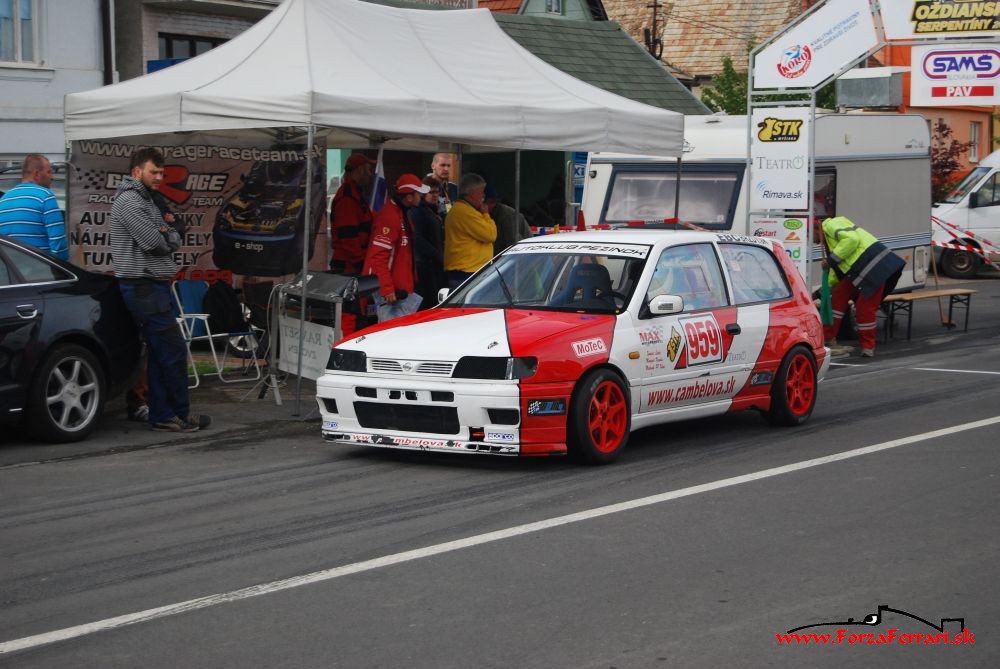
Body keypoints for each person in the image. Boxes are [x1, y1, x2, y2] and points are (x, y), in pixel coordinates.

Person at [111, 147, 210, 432]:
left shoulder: (147, 200)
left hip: (153, 286)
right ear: (136, 172)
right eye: (153, 172)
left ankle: (168, 413)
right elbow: (154, 243)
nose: (158, 178)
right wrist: (167, 233)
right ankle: (170, 414)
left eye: (161, 173)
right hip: (143, 287)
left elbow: (172, 231)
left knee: (162, 352)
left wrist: (167, 233)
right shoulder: (130, 201)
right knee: (172, 350)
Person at [815, 215, 904, 358]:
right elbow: (838, 273)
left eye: (810, 235)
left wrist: (830, 260)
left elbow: (851, 240)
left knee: (864, 309)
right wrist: (821, 292)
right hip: (858, 270)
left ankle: (868, 347)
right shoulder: (828, 236)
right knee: (836, 297)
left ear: (816, 228)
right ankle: (828, 339)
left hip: (875, 269)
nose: (812, 240)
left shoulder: (830, 225)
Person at [363, 174, 429, 322]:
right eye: (419, 193)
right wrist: (387, 288)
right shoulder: (390, 216)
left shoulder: (401, 213)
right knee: (391, 333)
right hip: (391, 293)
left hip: (400, 290)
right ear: (409, 197)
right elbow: (378, 257)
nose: (422, 196)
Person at [0, 154, 69, 260]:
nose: (52, 177)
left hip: (12, 269)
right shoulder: (45, 196)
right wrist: (63, 266)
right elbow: (58, 242)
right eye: (49, 172)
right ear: (37, 174)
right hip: (40, 267)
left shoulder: (3, 200)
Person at [444, 173, 496, 289]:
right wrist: (486, 214)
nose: (483, 195)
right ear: (471, 193)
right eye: (481, 191)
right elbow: (491, 235)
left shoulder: (466, 210)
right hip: (466, 273)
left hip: (470, 271)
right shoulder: (465, 212)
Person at [330, 153, 375, 274]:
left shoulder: (353, 193)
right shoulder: (348, 197)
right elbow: (348, 236)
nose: (370, 174)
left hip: (351, 264)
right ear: (360, 170)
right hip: (348, 267)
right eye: (368, 170)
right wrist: (361, 263)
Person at [410, 175, 446, 309]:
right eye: (431, 192)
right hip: (424, 265)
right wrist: (436, 254)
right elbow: (417, 239)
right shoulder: (418, 211)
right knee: (428, 303)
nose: (435, 195)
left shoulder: (432, 211)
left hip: (434, 264)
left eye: (437, 192)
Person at [485, 185, 532, 256]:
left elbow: (514, 245)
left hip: (522, 255)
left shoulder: (506, 217)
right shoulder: (492, 214)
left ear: (491, 202)